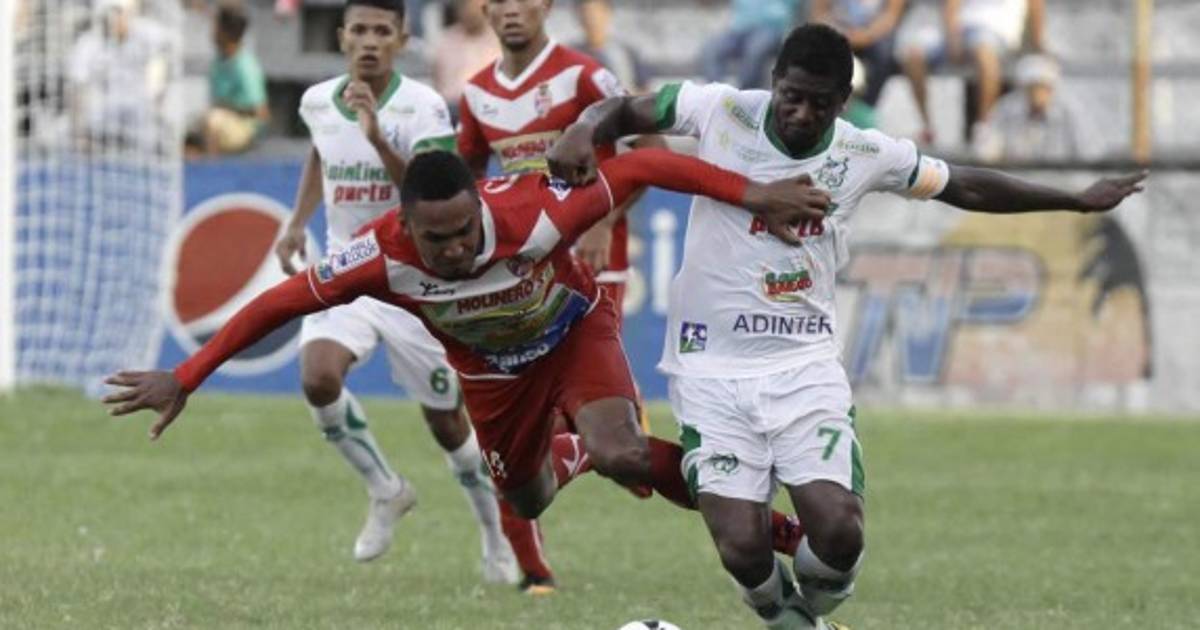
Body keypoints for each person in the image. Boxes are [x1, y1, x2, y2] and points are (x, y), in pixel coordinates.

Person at [547, 23, 1146, 629]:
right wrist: (582, 129)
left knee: (838, 533)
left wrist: (1072, 200)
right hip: (711, 369)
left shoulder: (864, 153)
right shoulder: (720, 110)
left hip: (802, 368)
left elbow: (963, 184)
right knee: (742, 547)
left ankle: (812, 612)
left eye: (821, 103)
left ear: (843, 101)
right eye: (792, 97)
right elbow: (624, 109)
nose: (803, 114)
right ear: (774, 82)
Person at [101, 148, 826, 600]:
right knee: (529, 498)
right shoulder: (377, 257)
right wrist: (187, 376)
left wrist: (754, 195)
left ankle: (778, 531)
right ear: (405, 226)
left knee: (624, 452)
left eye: (462, 232)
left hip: (573, 333)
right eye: (434, 239)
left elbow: (643, 168)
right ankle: (570, 453)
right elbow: (278, 302)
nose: (451, 250)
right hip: (490, 375)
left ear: (480, 208)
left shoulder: (534, 212)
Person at [268, 0, 519, 584]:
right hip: (347, 271)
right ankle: (386, 488)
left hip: (412, 281)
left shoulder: (423, 107)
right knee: (318, 376)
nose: (369, 41)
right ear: (342, 37)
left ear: (402, 39)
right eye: (359, 30)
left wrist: (378, 139)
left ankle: (495, 537)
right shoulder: (317, 100)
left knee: (448, 425)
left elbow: (435, 198)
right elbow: (320, 153)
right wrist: (296, 222)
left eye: (382, 31)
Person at [457, 0, 660, 593]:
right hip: (524, 272)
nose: (511, 9)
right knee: (514, 425)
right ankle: (534, 571)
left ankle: (615, 448)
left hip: (595, 262)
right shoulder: (477, 93)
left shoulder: (584, 75)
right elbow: (466, 182)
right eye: (498, 1)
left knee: (587, 420)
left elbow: (651, 150)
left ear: (546, 5)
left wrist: (605, 219)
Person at [898, 0, 1044, 145]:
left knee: (983, 53)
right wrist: (953, 39)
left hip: (995, 35)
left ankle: (984, 128)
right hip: (960, 34)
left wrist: (1039, 47)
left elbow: (1036, 9)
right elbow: (952, 6)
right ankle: (926, 128)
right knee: (913, 55)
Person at [69, 0, 170, 151]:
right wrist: (80, 132)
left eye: (119, 13)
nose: (115, 19)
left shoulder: (150, 34)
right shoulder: (87, 44)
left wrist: (156, 106)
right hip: (103, 109)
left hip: (141, 106)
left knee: (151, 137)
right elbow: (78, 86)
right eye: (110, 14)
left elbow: (160, 74)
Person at [974, 54, 1097, 163]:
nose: (1038, 94)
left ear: (1052, 89)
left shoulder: (1070, 111)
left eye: (1043, 87)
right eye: (1032, 87)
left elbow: (1088, 152)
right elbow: (986, 150)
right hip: (1016, 179)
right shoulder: (1006, 109)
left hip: (1062, 180)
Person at [810, 0, 905, 107]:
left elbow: (890, 16)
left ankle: (866, 106)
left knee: (882, 54)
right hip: (835, 32)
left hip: (872, 39)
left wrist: (863, 37)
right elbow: (819, 14)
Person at [201, 3, 268, 155]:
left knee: (213, 121)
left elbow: (261, 112)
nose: (212, 31)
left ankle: (212, 167)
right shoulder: (219, 60)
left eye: (216, 26)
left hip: (245, 127)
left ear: (226, 32)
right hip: (224, 120)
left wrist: (226, 108)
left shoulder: (245, 66)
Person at [700, 0, 802, 90]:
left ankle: (745, 93)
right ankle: (717, 90)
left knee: (755, 49)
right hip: (738, 30)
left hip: (770, 29)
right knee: (711, 48)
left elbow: (790, 9)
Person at [428, 0, 500, 117]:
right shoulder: (445, 40)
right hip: (450, 109)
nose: (469, 12)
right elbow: (437, 82)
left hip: (488, 109)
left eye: (474, 8)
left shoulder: (499, 41)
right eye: (464, 6)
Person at [571, 0, 648, 93]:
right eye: (585, 12)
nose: (591, 18)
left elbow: (644, 91)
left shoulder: (628, 52)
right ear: (577, 14)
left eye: (596, 11)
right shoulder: (570, 55)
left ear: (608, 13)